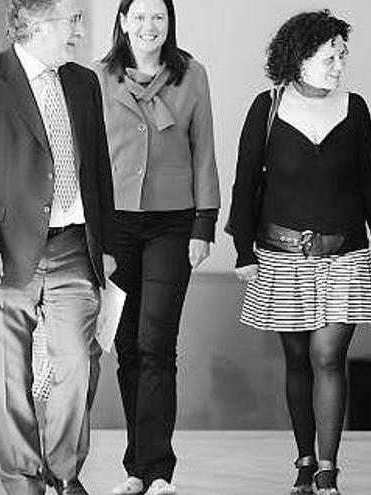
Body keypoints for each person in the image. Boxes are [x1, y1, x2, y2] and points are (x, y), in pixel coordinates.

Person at [0, 0, 115, 494]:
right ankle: (23, 481)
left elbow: (97, 171)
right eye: (71, 21)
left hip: (74, 246)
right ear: (36, 24)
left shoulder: (83, 83)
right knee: (9, 377)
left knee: (78, 361)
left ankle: (63, 472)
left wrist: (108, 245)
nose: (79, 32)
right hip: (2, 251)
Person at [228, 10, 371, 495]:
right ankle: (304, 460)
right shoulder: (268, 106)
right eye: (330, 55)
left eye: (343, 54)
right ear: (299, 58)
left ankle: (327, 468)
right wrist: (242, 251)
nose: (340, 64)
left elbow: (369, 180)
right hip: (280, 255)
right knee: (298, 356)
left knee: (328, 354)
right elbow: (245, 182)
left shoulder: (356, 107)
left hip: (345, 253)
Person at [94, 0, 220, 494]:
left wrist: (204, 224)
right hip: (115, 225)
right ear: (124, 22)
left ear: (169, 24)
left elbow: (205, 148)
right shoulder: (96, 78)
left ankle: (160, 470)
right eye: (140, 16)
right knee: (127, 347)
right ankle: (135, 468)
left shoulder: (193, 75)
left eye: (159, 17)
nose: (150, 26)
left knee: (157, 344)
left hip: (174, 224)